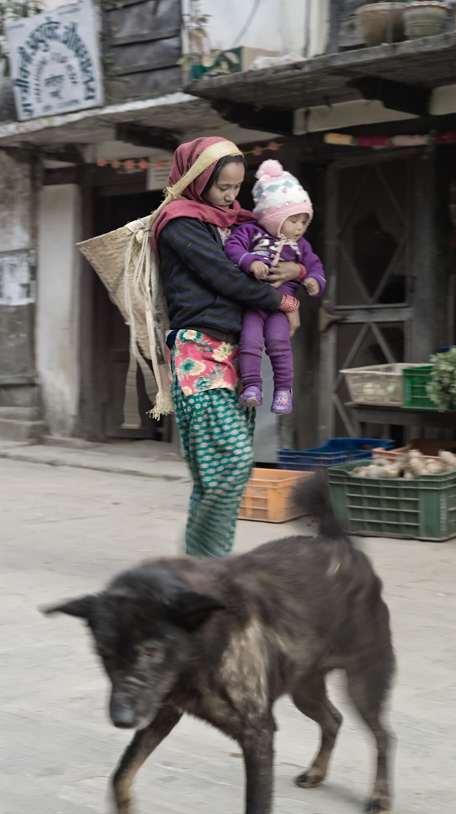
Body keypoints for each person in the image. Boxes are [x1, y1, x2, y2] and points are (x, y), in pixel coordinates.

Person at [151, 137, 302, 558]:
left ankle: (203, 563)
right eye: (223, 187)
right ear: (198, 180)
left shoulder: (238, 223)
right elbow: (225, 277)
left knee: (218, 474)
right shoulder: (179, 222)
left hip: (241, 354)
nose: (231, 196)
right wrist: (284, 302)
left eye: (237, 187)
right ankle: (206, 560)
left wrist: (296, 269)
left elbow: (281, 253)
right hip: (198, 352)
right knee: (232, 462)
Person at [224, 159, 326, 414]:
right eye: (294, 220)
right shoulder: (251, 232)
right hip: (254, 304)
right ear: (273, 217)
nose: (300, 227)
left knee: (278, 344)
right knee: (249, 342)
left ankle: (283, 391)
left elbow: (315, 267)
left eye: (304, 221)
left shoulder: (300, 246)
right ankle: (252, 387)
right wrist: (250, 261)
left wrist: (312, 280)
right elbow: (232, 247)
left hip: (281, 308)